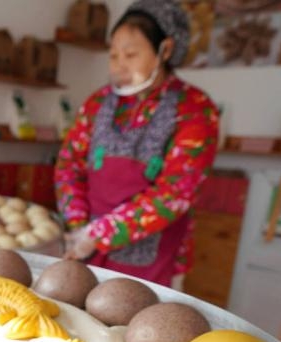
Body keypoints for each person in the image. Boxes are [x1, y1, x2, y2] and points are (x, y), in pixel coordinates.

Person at [54, 0, 219, 288]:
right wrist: (79, 225)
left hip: (154, 257)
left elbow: (174, 192)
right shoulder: (98, 103)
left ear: (164, 50)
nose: (119, 66)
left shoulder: (194, 109)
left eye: (130, 54)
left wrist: (101, 233)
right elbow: (69, 166)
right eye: (113, 55)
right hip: (86, 248)